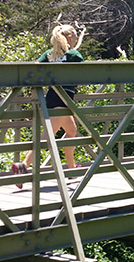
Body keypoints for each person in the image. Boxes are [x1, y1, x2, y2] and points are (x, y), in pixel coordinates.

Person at [12, 24, 84, 183]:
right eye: (75, 36)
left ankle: (71, 168)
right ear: (71, 38)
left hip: (51, 96)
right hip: (64, 98)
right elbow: (82, 77)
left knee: (71, 131)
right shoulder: (74, 55)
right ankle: (24, 165)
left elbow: (36, 70)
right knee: (47, 137)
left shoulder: (49, 54)